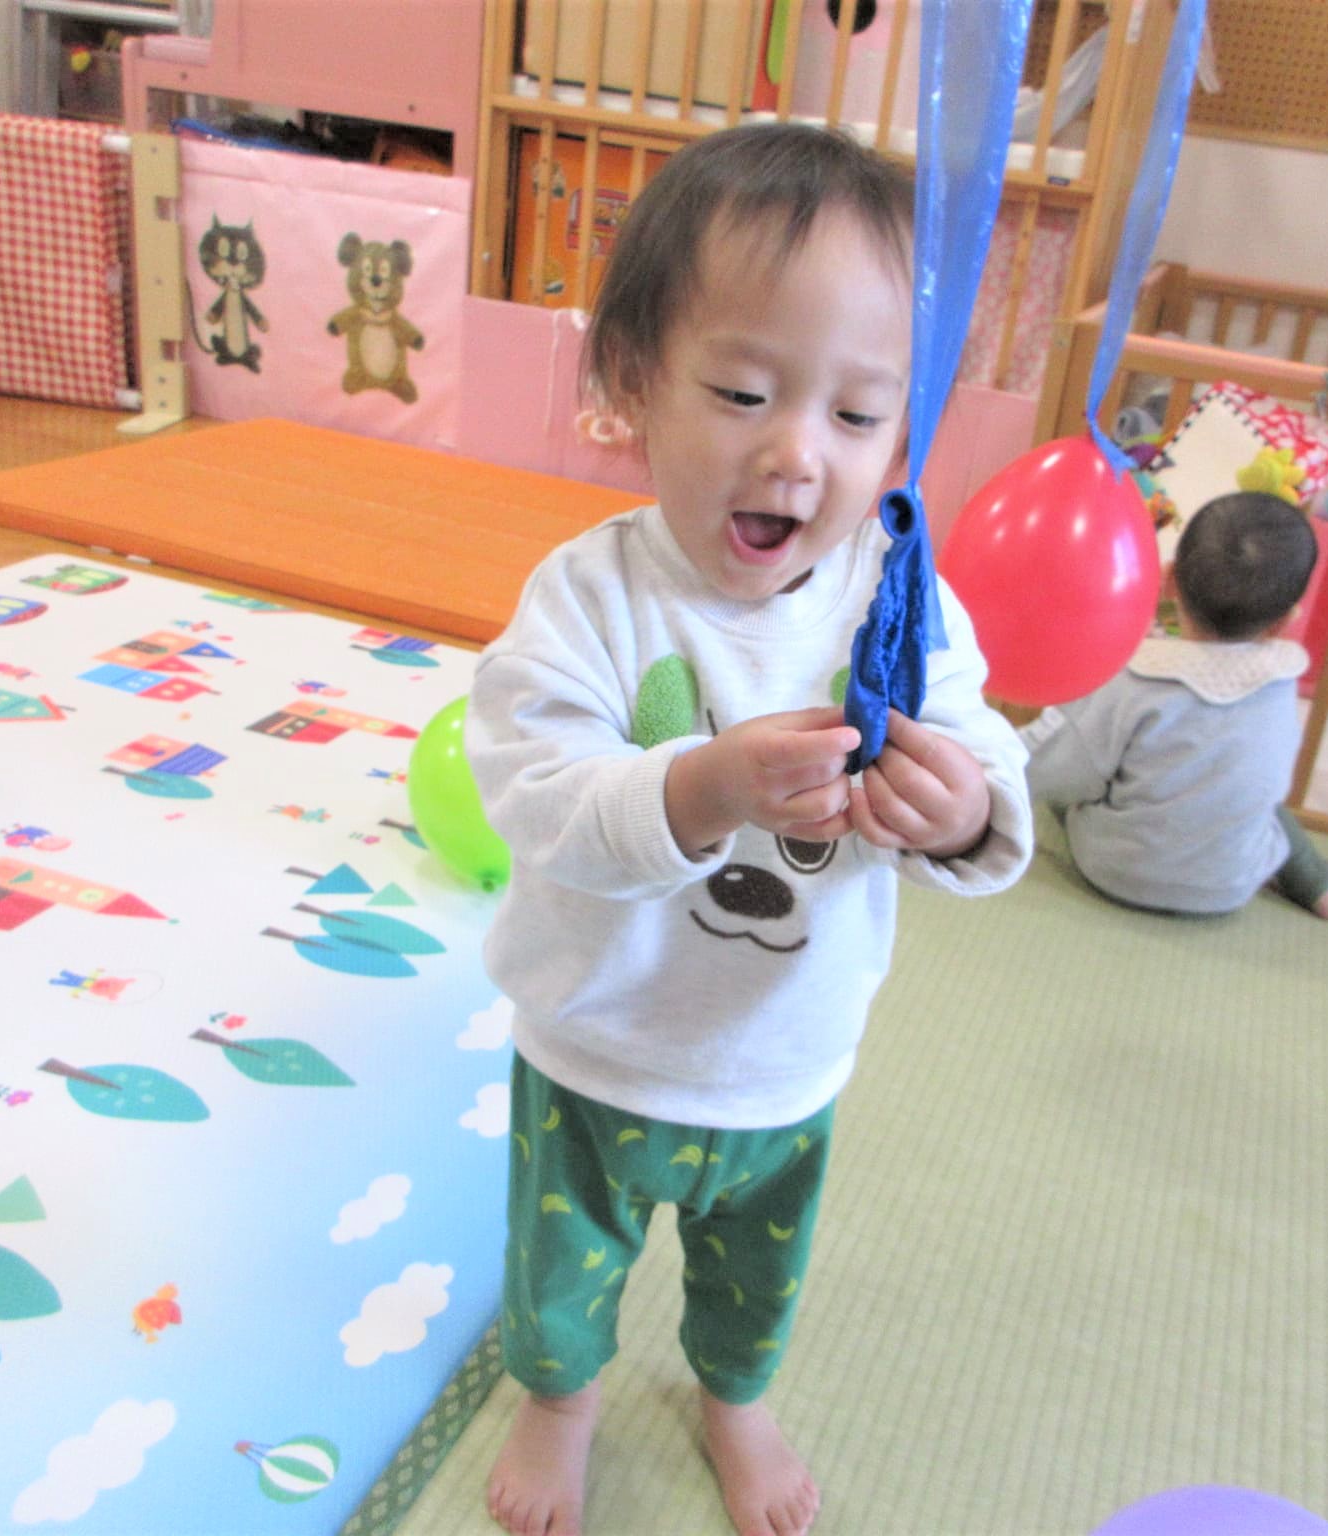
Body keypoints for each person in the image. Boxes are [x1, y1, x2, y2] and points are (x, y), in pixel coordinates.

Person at [465, 122, 1032, 1536]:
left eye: (856, 416)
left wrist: (962, 808)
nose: (794, 453)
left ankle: (735, 1399)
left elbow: (980, 739)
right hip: (596, 1040)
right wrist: (698, 789)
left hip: (784, 1056)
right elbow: (531, 790)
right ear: (632, 383)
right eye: (741, 392)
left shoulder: (896, 598)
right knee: (559, 1270)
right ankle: (561, 1402)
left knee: (755, 1275)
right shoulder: (588, 597)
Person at [1023, 489, 1328, 921]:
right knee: (1259, 805)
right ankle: (1322, 885)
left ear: (1169, 581)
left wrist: (985, 774)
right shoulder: (1279, 682)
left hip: (1117, 871)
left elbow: (1049, 767)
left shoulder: (1136, 675)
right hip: (1229, 886)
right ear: (1285, 620)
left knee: (1074, 772)